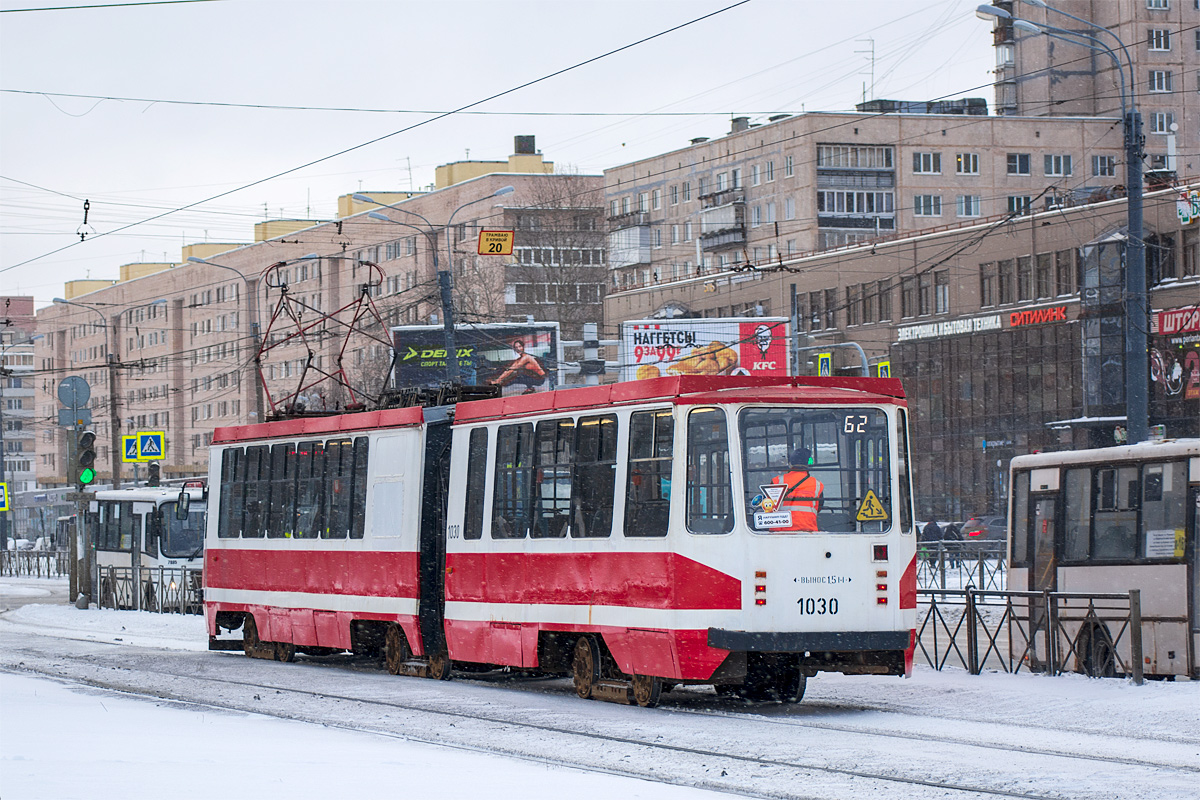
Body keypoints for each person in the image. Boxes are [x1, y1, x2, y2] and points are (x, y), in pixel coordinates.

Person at [772, 447, 824, 531]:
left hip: (780, 532)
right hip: (808, 531)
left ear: (791, 463)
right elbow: (818, 507)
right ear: (808, 463)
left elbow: (768, 505)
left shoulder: (777, 481)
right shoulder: (817, 484)